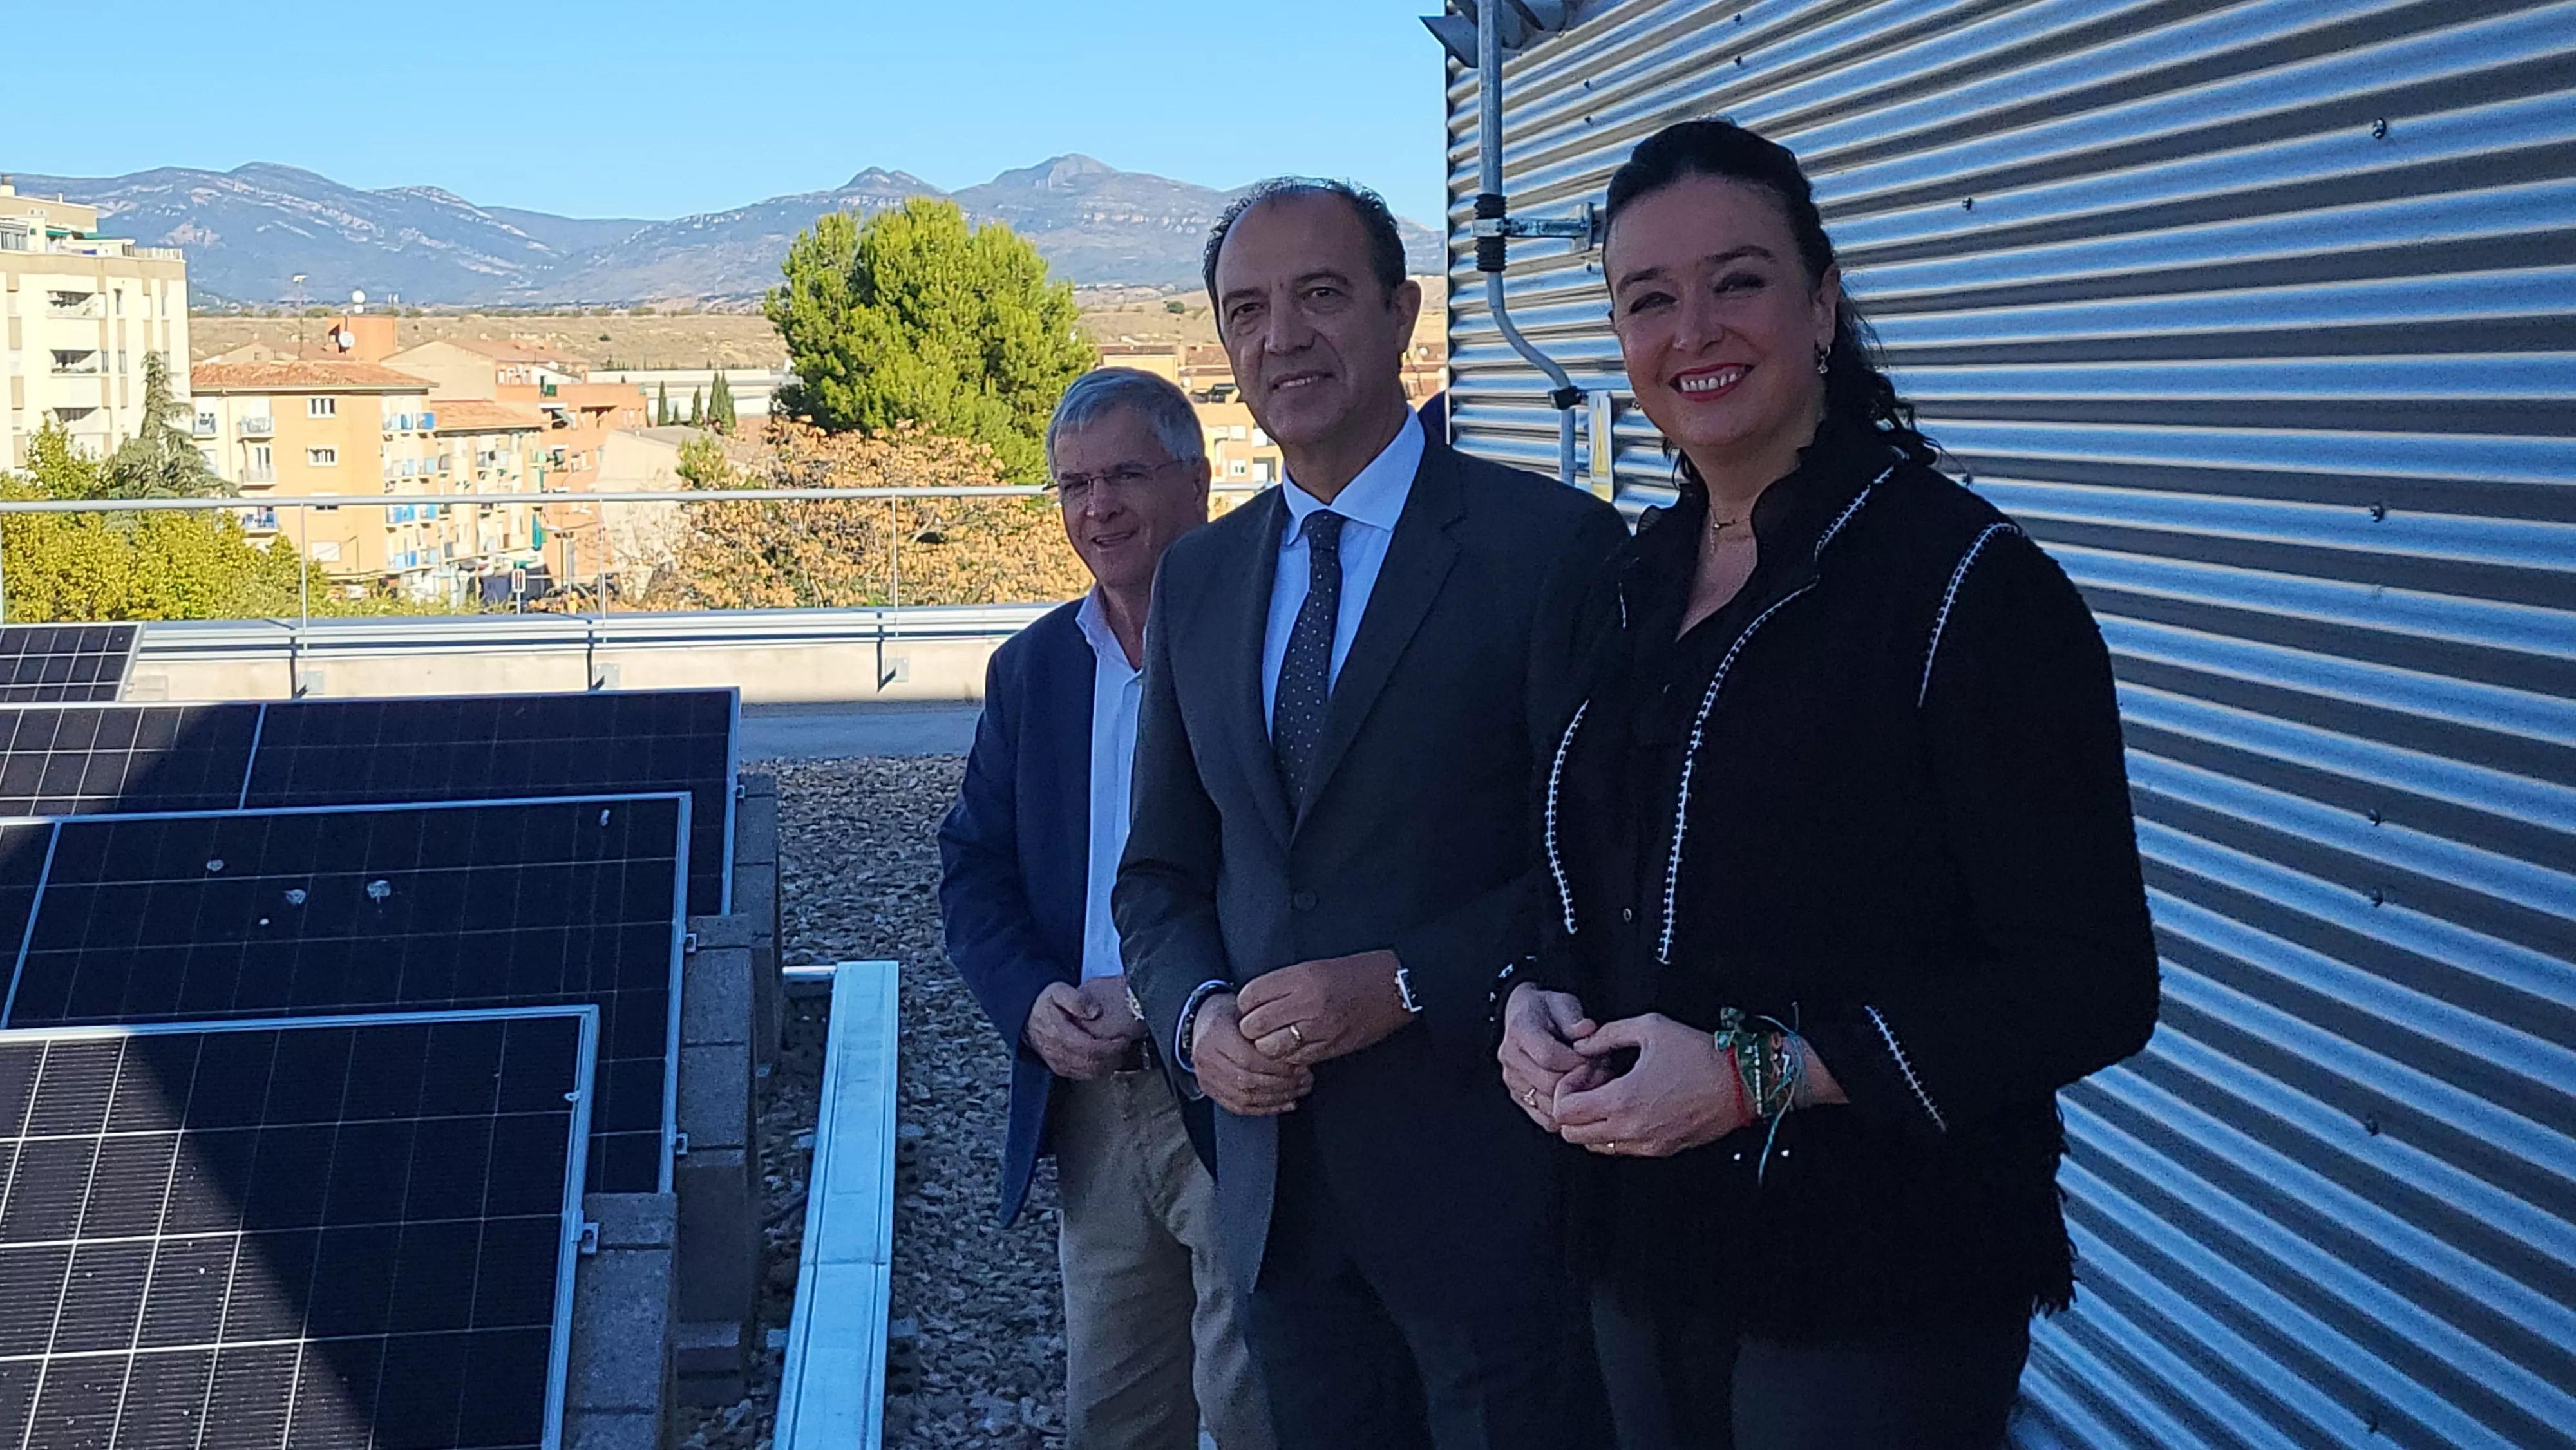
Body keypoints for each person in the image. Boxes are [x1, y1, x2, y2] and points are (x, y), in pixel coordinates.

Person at [1495, 119, 2161, 1449]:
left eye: (1735, 279)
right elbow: (1580, 872)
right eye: (1646, 299)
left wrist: (1759, 1073)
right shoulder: (1622, 585)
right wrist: (1527, 991)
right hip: (1640, 1242)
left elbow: (2089, 980)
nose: (1692, 328)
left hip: (1872, 1279)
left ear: (1823, 305)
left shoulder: (1965, 591)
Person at [1115, 178, 1629, 1450]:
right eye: (1246, 309)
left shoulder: (1551, 549)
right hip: (1278, 1194)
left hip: (1492, 1188)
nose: (1281, 335)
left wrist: (1402, 981)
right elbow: (1160, 875)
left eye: (1320, 295)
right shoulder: (1198, 578)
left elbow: (1601, 867)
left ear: (1402, 312)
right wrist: (1196, 1019)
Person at [937, 367, 1273, 1450]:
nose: (1099, 508)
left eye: (1127, 474)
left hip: (1232, 1083)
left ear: (1199, 479)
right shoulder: (1033, 671)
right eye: (1074, 484)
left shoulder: (1273, 643)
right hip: (1090, 1106)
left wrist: (1168, 994)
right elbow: (973, 871)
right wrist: (1028, 998)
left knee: (1251, 1402)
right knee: (1117, 1416)